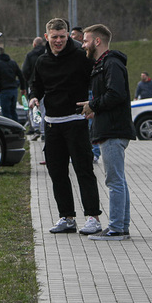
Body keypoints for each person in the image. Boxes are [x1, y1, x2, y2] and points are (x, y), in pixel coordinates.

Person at [28, 18, 102, 235]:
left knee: (83, 170)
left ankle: (93, 217)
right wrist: (34, 97)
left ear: (68, 35)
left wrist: (95, 104)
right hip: (52, 124)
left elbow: (98, 79)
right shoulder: (42, 61)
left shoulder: (81, 57)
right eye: (54, 37)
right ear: (47, 37)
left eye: (62, 36)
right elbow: (36, 85)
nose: (58, 41)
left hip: (76, 122)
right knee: (57, 172)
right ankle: (67, 217)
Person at [77, 23, 135, 241]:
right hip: (110, 127)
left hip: (113, 131)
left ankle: (116, 228)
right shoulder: (104, 64)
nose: (83, 45)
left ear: (97, 41)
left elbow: (116, 94)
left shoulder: (111, 63)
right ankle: (121, 227)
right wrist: (94, 108)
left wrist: (93, 105)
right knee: (118, 180)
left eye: (85, 41)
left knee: (114, 181)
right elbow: (110, 97)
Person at [0, 46, 26, 122]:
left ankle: (8, 128)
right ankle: (16, 127)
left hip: (4, 90)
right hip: (14, 90)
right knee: (13, 111)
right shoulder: (12, 62)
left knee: (6, 113)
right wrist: (22, 88)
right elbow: (20, 75)